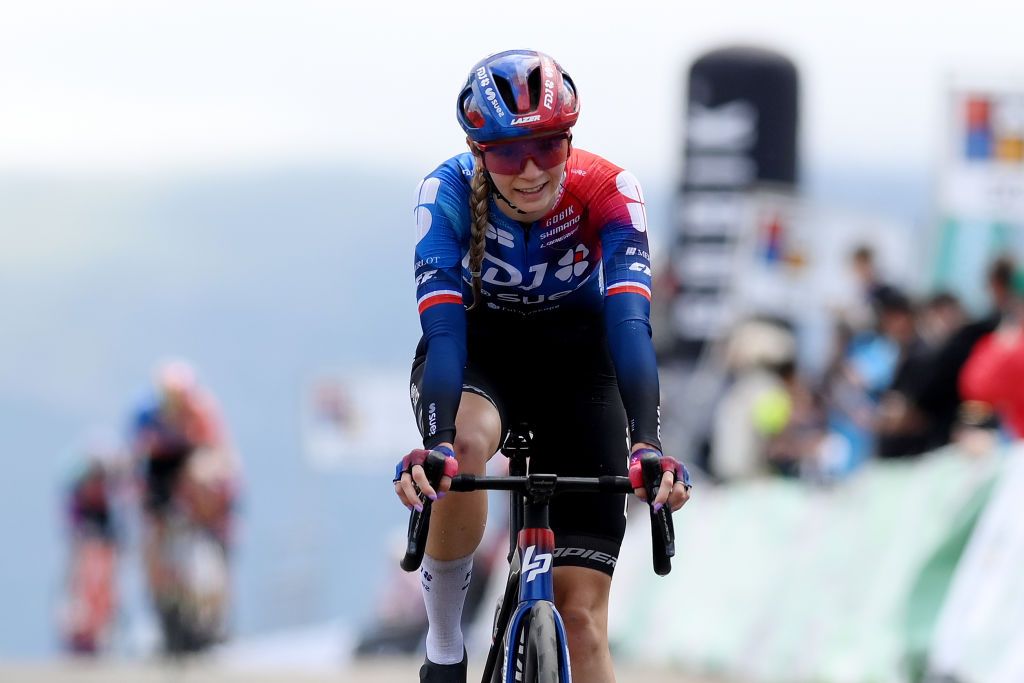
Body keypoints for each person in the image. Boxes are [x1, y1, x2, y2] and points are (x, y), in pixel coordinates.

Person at [393, 50, 690, 683]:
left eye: (548, 147)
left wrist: (648, 443)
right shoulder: (443, 195)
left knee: (581, 622)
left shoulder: (610, 190)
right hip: (481, 356)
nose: (530, 170)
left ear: (569, 141)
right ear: (478, 153)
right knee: (465, 448)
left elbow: (629, 325)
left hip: (581, 369)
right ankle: (445, 646)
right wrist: (438, 444)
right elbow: (443, 335)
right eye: (506, 153)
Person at [129, 359, 238, 644]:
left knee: (204, 474)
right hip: (160, 473)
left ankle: (213, 609)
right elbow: (136, 464)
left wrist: (212, 507)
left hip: (197, 473)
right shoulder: (146, 414)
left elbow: (220, 457)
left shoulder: (203, 411)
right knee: (153, 537)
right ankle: (162, 601)